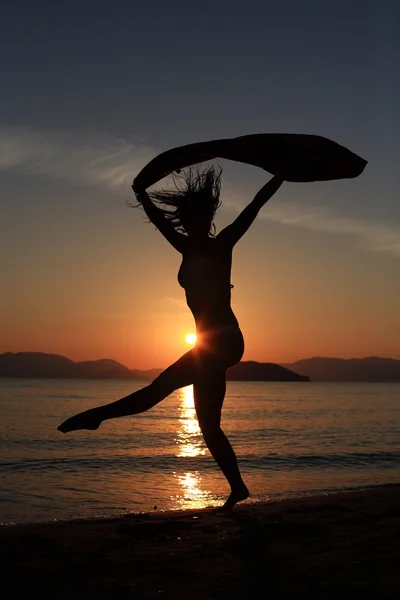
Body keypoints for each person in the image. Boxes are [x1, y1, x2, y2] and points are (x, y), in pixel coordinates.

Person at [58, 167, 284, 510]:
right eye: (186, 220)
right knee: (209, 427)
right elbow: (159, 221)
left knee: (156, 390)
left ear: (205, 219)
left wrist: (280, 176)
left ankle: (97, 416)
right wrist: (141, 194)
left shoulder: (223, 243)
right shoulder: (183, 246)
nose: (190, 225)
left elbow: (255, 205)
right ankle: (238, 488)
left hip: (224, 339)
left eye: (197, 219)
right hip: (211, 345)